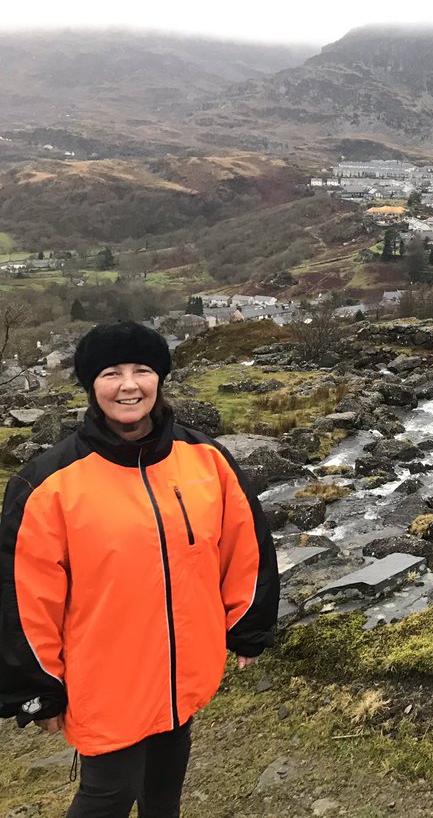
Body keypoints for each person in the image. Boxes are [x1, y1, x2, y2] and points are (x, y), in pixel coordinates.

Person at [0, 321, 279, 817]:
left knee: (163, 794)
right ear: (91, 385)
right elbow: (23, 597)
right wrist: (36, 688)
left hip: (183, 670)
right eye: (111, 373)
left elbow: (245, 548)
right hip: (105, 682)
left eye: (142, 370)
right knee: (107, 796)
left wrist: (248, 626)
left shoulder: (207, 461)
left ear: (160, 379)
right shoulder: (48, 483)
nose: (128, 385)